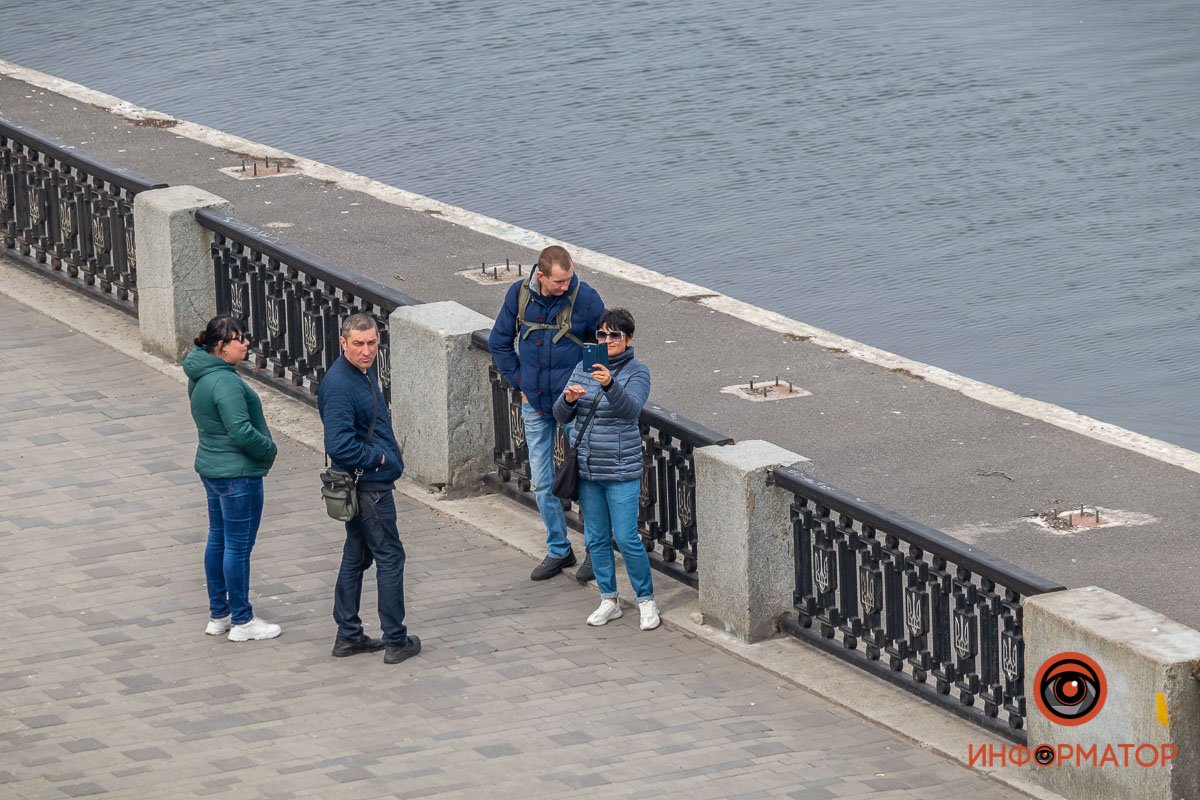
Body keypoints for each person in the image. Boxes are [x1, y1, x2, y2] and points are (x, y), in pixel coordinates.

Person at [488, 245, 605, 581]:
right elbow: (499, 342)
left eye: (568, 279)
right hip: (535, 403)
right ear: (541, 276)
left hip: (573, 404)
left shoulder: (586, 298)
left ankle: (595, 553)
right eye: (558, 282)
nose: (565, 286)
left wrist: (584, 388)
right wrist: (519, 381)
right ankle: (559, 549)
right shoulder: (519, 295)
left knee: (586, 481)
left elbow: (602, 348)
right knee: (541, 483)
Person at [318, 313, 420, 664]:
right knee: (390, 558)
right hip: (369, 488)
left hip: (364, 486)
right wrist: (378, 459)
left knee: (356, 556)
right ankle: (396, 640)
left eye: (372, 343)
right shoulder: (340, 385)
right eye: (359, 344)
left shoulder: (360, 373)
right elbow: (339, 444)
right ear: (343, 343)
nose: (367, 351)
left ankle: (348, 636)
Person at [553, 308, 659, 630]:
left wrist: (610, 383)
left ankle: (646, 600)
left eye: (615, 335)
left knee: (627, 538)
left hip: (620, 469)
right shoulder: (582, 368)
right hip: (587, 469)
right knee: (596, 538)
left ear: (629, 339)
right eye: (603, 334)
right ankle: (608, 599)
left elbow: (630, 412)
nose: (608, 340)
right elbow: (560, 415)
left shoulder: (638, 372)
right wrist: (569, 400)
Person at [184, 315, 281, 642]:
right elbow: (241, 432)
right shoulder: (225, 381)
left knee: (218, 540)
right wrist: (268, 449)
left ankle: (219, 614)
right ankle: (243, 620)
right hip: (238, 475)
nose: (246, 343)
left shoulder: (199, 375)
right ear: (221, 347)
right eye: (239, 339)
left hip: (213, 469)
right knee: (237, 547)